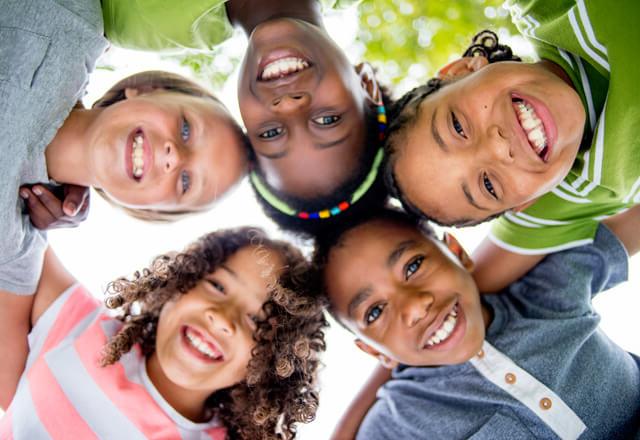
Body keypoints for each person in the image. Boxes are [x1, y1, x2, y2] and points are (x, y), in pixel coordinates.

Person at [0, 0, 247, 408]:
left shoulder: (18, 238)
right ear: (147, 89)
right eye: (186, 129)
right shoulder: (73, 21)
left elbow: (12, 394)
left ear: (148, 211)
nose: (172, 156)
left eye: (185, 182)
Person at [312, 206, 640, 439]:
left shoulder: (545, 290)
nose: (415, 306)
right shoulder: (397, 426)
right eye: (374, 312)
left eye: (412, 267)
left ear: (458, 253)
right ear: (373, 351)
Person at [383, 0, 640, 293]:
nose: (497, 148)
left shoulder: (551, 8)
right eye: (489, 186)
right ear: (524, 203)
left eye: (457, 126)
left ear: (462, 69)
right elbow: (468, 291)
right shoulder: (574, 190)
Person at [0, 227, 326, 439]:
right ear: (179, 283)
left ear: (273, 364)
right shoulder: (81, 325)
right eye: (216, 285)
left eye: (258, 321)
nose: (222, 318)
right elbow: (17, 225)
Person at [98, 0, 391, 235]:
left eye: (271, 133)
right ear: (366, 85)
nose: (288, 105)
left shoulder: (134, 19)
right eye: (328, 120)